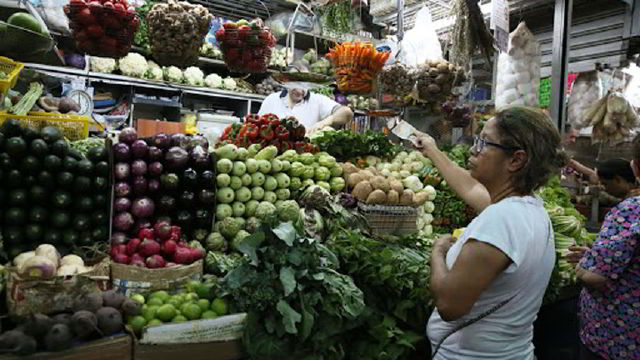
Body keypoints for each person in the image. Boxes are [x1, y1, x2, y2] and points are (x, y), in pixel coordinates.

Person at [413, 106, 565, 359]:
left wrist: (437, 254)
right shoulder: (531, 209)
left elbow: (450, 306)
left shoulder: (500, 220)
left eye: (484, 142)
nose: (474, 149)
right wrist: (432, 150)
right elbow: (471, 188)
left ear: (516, 160)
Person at [565, 136, 640, 360]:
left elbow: (594, 277)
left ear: (635, 166)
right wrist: (598, 256)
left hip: (620, 341)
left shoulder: (630, 211)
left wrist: (583, 265)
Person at [257, 88, 353, 135]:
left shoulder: (318, 100)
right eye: (296, 85)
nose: (300, 91)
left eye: (304, 86)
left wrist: (325, 122)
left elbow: (347, 112)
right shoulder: (271, 100)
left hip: (305, 158)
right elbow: (258, 129)